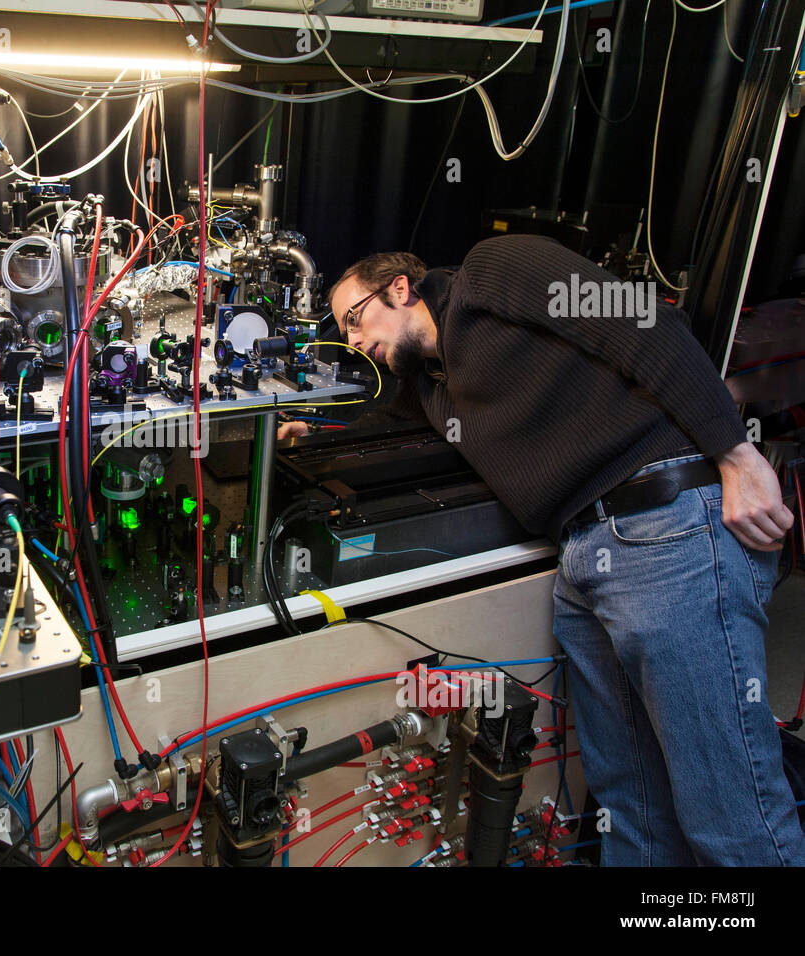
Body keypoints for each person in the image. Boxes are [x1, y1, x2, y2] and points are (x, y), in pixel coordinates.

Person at [324, 233, 804, 866]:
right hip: (585, 558)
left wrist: (735, 453)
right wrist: (311, 426)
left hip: (667, 527)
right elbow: (382, 419)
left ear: (400, 288)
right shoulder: (434, 385)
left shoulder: (494, 273)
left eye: (354, 319)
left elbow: (639, 323)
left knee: (727, 807)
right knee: (631, 807)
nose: (354, 342)